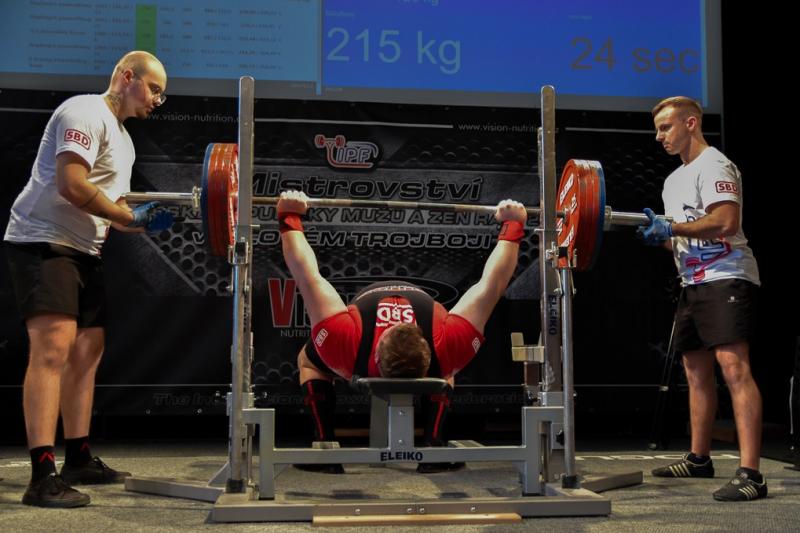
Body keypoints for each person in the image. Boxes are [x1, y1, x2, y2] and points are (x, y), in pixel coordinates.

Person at [3, 51, 174, 508]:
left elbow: (111, 212)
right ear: (127, 76)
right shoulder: (84, 111)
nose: (157, 100)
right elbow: (72, 184)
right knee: (53, 349)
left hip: (84, 249)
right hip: (43, 240)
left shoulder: (125, 142)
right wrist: (126, 215)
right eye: (154, 89)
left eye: (161, 94)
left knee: (87, 350)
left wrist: (140, 221)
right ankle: (42, 475)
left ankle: (77, 457)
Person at [277, 190, 526, 473]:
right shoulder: (447, 345)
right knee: (447, 369)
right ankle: (433, 445)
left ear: (378, 355)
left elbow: (306, 274)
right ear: (425, 354)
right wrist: (513, 223)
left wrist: (290, 214)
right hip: (432, 338)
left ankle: (324, 443)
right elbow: (492, 284)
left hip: (362, 330)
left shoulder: (344, 340)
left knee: (309, 362)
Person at [638, 96, 764, 501]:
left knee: (734, 368)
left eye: (666, 127)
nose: (659, 137)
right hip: (692, 281)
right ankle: (699, 458)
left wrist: (672, 228)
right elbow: (684, 234)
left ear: (691, 123)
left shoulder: (715, 165)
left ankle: (752, 474)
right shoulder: (673, 181)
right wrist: (660, 235)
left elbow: (725, 221)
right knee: (694, 370)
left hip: (727, 276)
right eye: (658, 130)